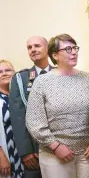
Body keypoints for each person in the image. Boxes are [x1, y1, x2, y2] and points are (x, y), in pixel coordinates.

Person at [25, 34, 89, 178]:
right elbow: (34, 121)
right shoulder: (42, 82)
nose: (74, 52)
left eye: (75, 48)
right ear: (55, 55)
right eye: (68, 49)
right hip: (55, 156)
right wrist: (56, 146)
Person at [9, 36, 53, 178]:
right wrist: (25, 151)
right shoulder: (20, 79)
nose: (33, 50)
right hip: (34, 149)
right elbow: (18, 117)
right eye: (29, 47)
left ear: (47, 48)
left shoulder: (61, 73)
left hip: (62, 145)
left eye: (37, 46)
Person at [0, 60, 24, 178]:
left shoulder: (19, 97)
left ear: (14, 73)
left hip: (22, 155)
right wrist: (1, 157)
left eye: (7, 70)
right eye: (0, 72)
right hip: (5, 154)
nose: (4, 73)